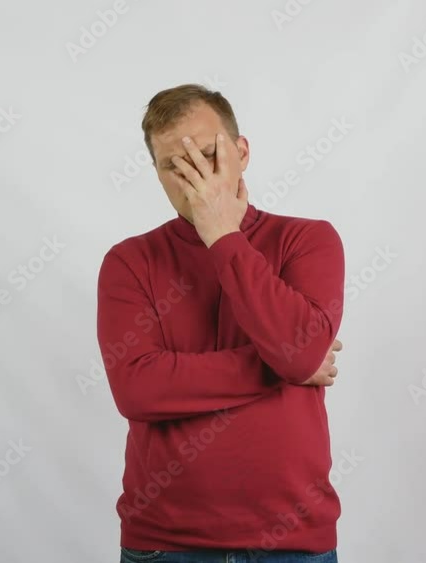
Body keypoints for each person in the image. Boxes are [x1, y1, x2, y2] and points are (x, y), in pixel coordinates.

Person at [96, 83, 346, 563]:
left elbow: (300, 353)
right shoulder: (129, 261)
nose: (194, 178)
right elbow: (137, 389)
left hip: (294, 544)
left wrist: (223, 235)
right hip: (166, 545)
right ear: (156, 173)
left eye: (207, 155)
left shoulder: (308, 240)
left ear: (242, 152)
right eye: (174, 165)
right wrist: (284, 366)